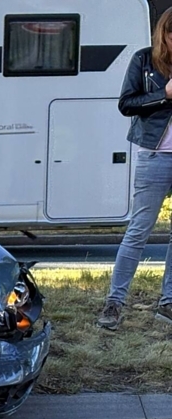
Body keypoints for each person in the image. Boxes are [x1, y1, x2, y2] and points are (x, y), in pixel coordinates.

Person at [98, 8, 172, 330]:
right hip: (155, 155)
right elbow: (126, 103)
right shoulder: (144, 61)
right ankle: (114, 303)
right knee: (139, 230)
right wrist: (164, 95)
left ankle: (168, 303)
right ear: (163, 33)